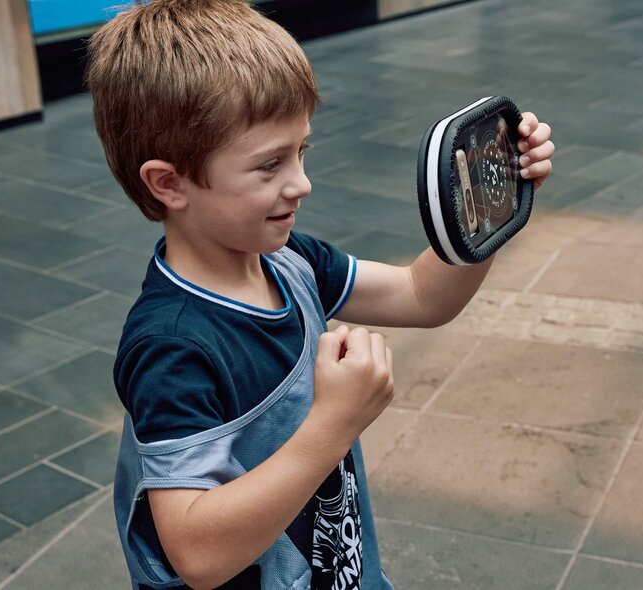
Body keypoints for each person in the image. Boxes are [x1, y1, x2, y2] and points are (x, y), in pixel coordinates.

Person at [86, 1, 554, 588]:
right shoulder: (173, 346)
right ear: (168, 183)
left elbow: (420, 296)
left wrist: (487, 207)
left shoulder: (290, 262)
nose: (301, 183)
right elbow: (196, 554)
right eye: (269, 165)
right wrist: (333, 424)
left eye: (300, 151)